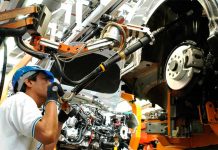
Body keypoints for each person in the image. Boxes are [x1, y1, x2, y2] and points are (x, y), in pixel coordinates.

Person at [0, 65, 72, 150]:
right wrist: (52, 96)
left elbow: (47, 147)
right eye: (46, 79)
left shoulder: (28, 109)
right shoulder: (21, 100)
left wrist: (60, 120)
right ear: (29, 82)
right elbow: (47, 134)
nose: (50, 84)